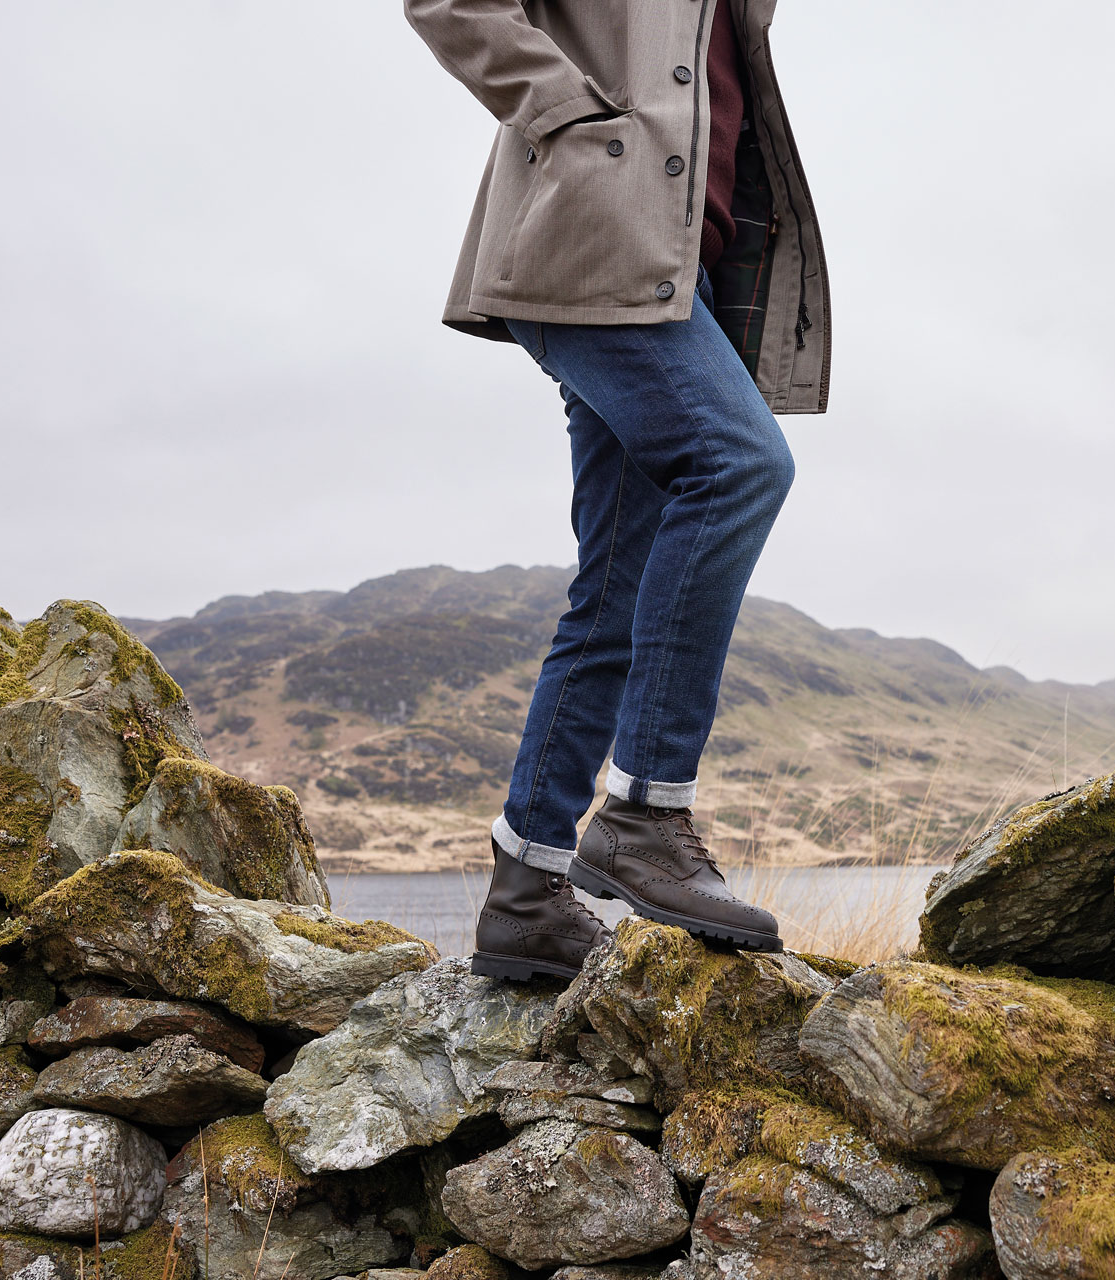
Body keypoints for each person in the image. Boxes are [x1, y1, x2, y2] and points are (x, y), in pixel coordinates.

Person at [403, 0, 831, 983]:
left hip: (687, 269)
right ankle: (644, 812)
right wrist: (564, 114)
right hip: (594, 232)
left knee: (613, 592)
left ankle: (525, 894)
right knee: (740, 468)